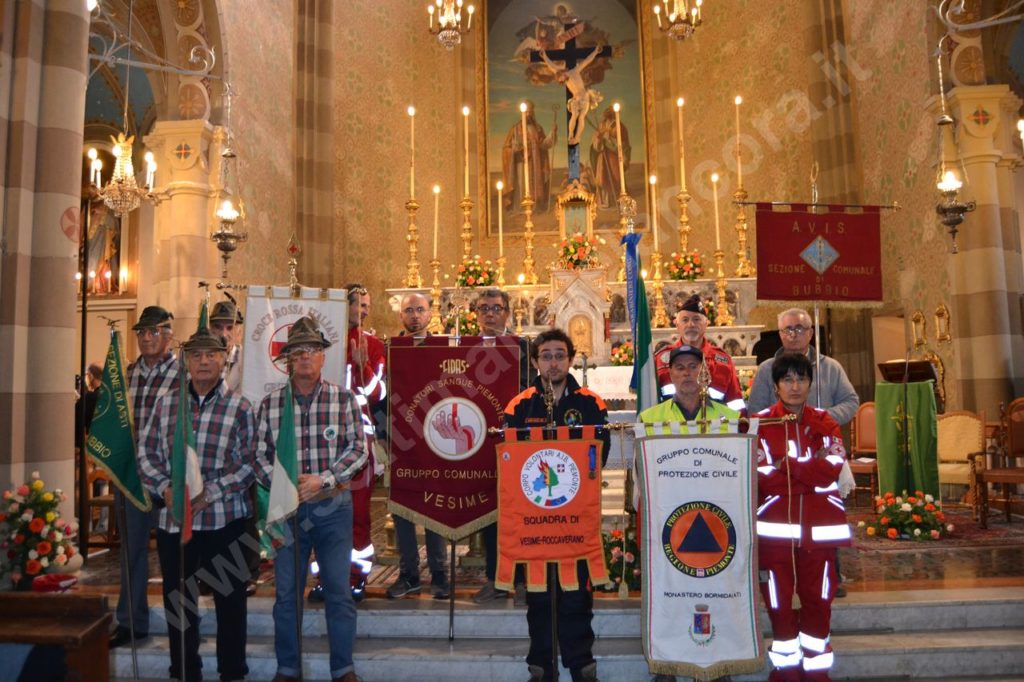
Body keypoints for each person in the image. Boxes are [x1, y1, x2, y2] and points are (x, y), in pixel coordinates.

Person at [137, 327, 257, 682]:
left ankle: (232, 672)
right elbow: (146, 455)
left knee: (230, 603)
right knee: (179, 603)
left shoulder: (241, 407)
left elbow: (250, 462)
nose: (204, 361)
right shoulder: (166, 404)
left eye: (211, 355)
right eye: (196, 355)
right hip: (176, 522)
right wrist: (166, 488)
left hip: (226, 520)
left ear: (224, 359)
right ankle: (185, 671)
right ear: (187, 361)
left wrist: (210, 493)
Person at [253, 316, 367, 682]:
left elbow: (359, 449)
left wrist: (324, 479)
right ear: (288, 359)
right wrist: (285, 486)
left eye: (313, 351)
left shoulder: (343, 399)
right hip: (286, 511)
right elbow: (256, 456)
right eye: (298, 351)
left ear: (322, 358)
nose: (305, 358)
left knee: (338, 591)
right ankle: (288, 668)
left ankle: (343, 668)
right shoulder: (270, 404)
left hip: (333, 507)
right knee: (286, 595)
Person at [504, 328, 610, 682]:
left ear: (571, 359)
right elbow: (510, 460)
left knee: (577, 593)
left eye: (560, 355)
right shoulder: (519, 406)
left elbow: (599, 457)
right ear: (535, 361)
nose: (553, 362)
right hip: (535, 521)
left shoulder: (591, 404)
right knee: (539, 595)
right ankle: (541, 664)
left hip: (575, 518)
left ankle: (581, 662)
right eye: (546, 355)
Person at [638, 346, 739, 682]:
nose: (685, 374)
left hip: (715, 522)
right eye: (678, 367)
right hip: (672, 524)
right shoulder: (650, 419)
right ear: (669, 374)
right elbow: (643, 473)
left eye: (692, 366)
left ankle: (716, 662)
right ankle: (668, 664)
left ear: (703, 370)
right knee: (670, 593)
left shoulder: (728, 417)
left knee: (716, 592)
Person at [754, 353, 851, 681]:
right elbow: (762, 477)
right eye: (787, 380)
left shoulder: (826, 422)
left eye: (801, 379)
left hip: (819, 534)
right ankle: (785, 673)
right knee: (779, 606)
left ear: (810, 383)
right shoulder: (761, 424)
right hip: (775, 535)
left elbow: (830, 470)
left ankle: (817, 674)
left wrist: (788, 467)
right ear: (777, 385)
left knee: (818, 602)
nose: (795, 386)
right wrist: (807, 471)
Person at [109, 305, 180, 649]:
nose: (147, 338)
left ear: (169, 335)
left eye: (154, 332)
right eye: (142, 333)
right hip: (133, 479)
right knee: (132, 553)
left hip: (170, 479)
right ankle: (131, 622)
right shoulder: (127, 374)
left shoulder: (184, 372)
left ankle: (182, 624)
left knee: (177, 555)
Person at [472, 288, 534, 604]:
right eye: (483, 308)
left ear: (507, 313)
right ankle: (496, 578)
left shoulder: (522, 346)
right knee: (488, 512)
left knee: (519, 513)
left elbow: (533, 390)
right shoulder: (465, 348)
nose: (490, 314)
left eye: (496, 308)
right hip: (479, 442)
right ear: (476, 314)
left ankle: (523, 579)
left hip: (515, 441)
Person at [387, 292, 450, 600]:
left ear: (430, 314)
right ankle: (409, 573)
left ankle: (439, 574)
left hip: (437, 439)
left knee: (435, 506)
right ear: (402, 316)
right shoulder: (390, 350)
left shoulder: (445, 348)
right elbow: (381, 395)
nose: (414, 315)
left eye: (420, 310)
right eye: (409, 310)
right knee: (404, 509)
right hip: (401, 440)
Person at [747, 307, 859, 426]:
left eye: (799, 329)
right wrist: (781, 421)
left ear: (810, 333)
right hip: (780, 437)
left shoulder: (830, 368)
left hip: (821, 436)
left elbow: (850, 402)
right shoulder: (766, 369)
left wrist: (822, 418)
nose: (793, 335)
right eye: (788, 330)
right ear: (780, 334)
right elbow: (755, 411)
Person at [654, 294, 744, 410]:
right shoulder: (661, 359)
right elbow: (651, 401)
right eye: (685, 320)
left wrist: (740, 425)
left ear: (706, 323)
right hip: (670, 425)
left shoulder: (723, 361)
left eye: (696, 319)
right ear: (677, 324)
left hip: (713, 425)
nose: (691, 324)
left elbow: (735, 402)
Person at [538, 43, 604, 145]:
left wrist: (595, 51)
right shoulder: (561, 76)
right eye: (560, 81)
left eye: (561, 79)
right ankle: (571, 135)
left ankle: (577, 137)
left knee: (581, 117)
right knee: (574, 115)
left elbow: (587, 61)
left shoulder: (575, 71)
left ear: (562, 74)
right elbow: (550, 66)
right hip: (575, 99)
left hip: (584, 97)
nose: (562, 81)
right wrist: (544, 56)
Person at [501, 100, 557, 212]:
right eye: (526, 112)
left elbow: (544, 144)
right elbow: (506, 148)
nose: (529, 114)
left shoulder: (538, 129)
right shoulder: (515, 129)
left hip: (536, 163)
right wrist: (514, 150)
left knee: (536, 186)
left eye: (531, 112)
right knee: (522, 185)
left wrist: (552, 134)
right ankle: (521, 209)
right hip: (522, 163)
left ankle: (536, 207)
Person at [589, 105, 630, 209]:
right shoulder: (601, 125)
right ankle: (604, 201)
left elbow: (622, 143)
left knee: (615, 176)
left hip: (614, 156)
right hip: (602, 155)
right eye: (606, 113)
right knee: (601, 177)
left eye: (609, 113)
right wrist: (598, 139)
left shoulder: (619, 126)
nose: (606, 115)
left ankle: (618, 199)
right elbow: (595, 142)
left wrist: (608, 138)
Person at [210, 298, 244, 391]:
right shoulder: (201, 359)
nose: (223, 334)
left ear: (239, 333)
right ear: (210, 330)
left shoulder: (245, 361)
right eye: (217, 327)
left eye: (229, 328)